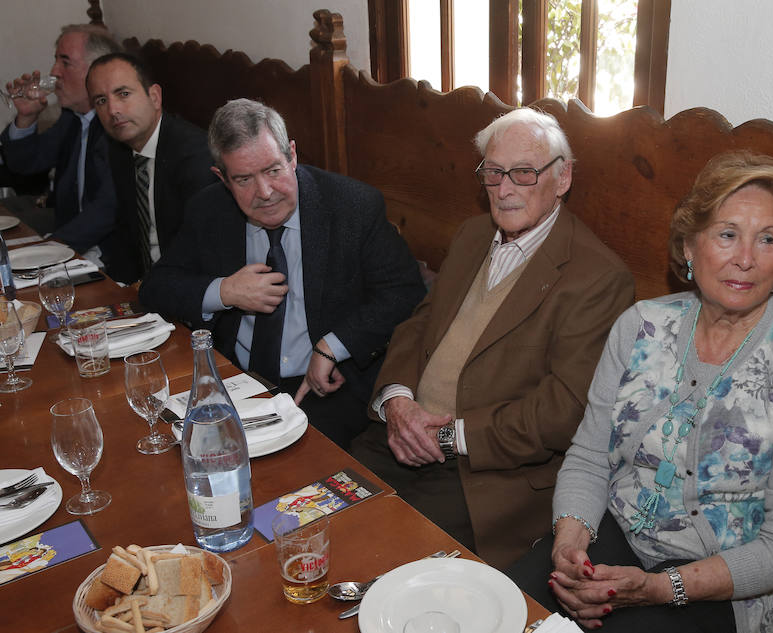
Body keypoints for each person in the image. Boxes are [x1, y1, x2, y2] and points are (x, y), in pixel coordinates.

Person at [508, 151, 773, 633]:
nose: (746, 258)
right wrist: (571, 546)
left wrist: (658, 588)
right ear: (690, 246)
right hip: (622, 536)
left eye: (768, 240)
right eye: (728, 234)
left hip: (739, 585)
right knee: (507, 609)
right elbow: (590, 455)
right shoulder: (641, 326)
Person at [351, 108, 634, 569]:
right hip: (400, 434)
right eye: (494, 173)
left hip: (483, 475)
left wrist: (446, 437)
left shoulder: (598, 278)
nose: (504, 190)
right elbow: (419, 323)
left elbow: (562, 413)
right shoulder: (472, 234)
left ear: (562, 178)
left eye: (524, 173)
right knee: (311, 518)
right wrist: (398, 402)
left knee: (385, 562)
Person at [139, 99, 425, 449]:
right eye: (244, 179)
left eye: (273, 170)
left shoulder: (352, 206)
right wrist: (224, 291)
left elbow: (404, 293)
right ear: (222, 178)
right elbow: (155, 288)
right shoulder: (209, 209)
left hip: (323, 389)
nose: (265, 192)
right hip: (235, 380)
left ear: (292, 155)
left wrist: (333, 346)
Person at [85, 52, 216, 284]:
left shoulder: (194, 155)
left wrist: (149, 290)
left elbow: (198, 250)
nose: (113, 110)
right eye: (101, 101)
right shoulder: (119, 149)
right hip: (143, 286)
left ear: (154, 97)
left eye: (123, 94)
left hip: (188, 288)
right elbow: (127, 236)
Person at [0, 24, 119, 261]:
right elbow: (24, 164)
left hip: (108, 248)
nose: (54, 71)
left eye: (65, 62)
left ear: (98, 71)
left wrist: (52, 248)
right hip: (69, 226)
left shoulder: (117, 125)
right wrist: (26, 117)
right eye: (56, 60)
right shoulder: (72, 118)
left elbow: (108, 209)